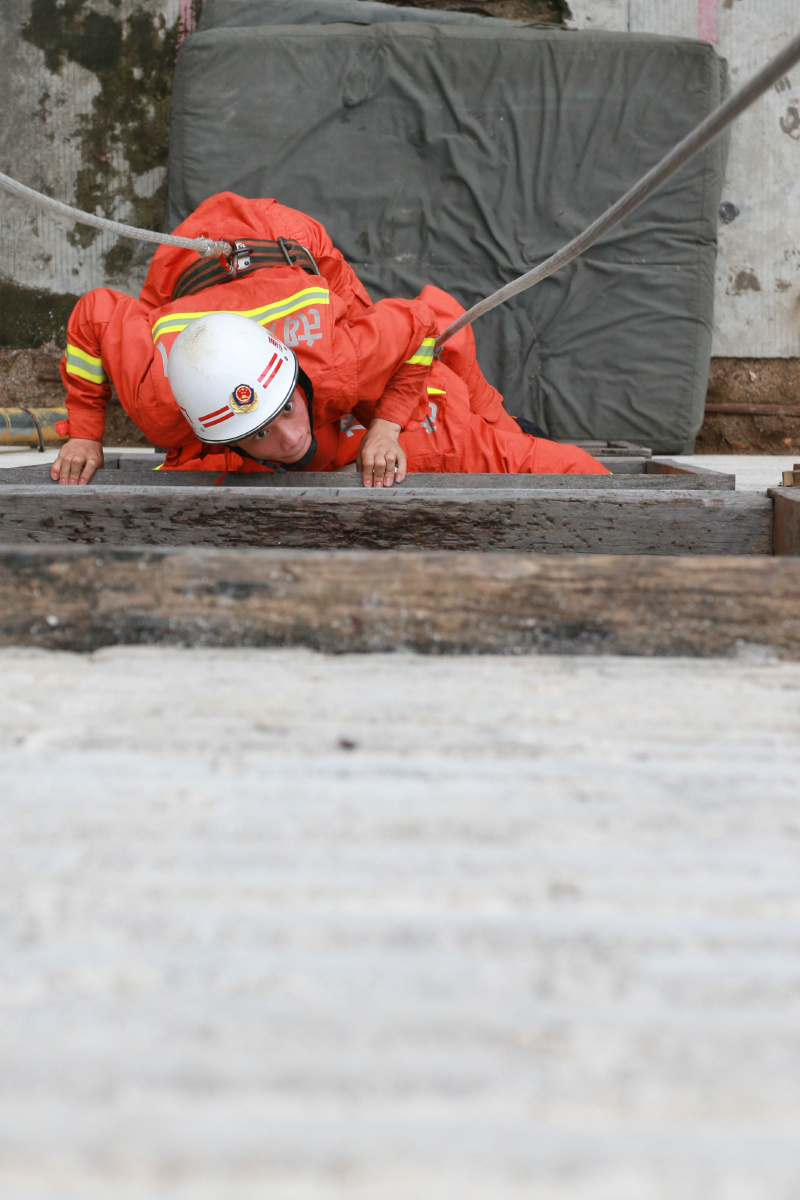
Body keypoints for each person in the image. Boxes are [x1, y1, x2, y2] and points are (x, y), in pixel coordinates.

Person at [51, 191, 609, 485]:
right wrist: (84, 437)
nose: (289, 439)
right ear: (222, 438)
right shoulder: (163, 400)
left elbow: (422, 322)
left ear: (297, 379)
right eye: (261, 433)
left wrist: (387, 426)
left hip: (292, 245)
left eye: (286, 408)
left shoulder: (337, 359)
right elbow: (94, 314)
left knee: (375, 333)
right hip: (186, 265)